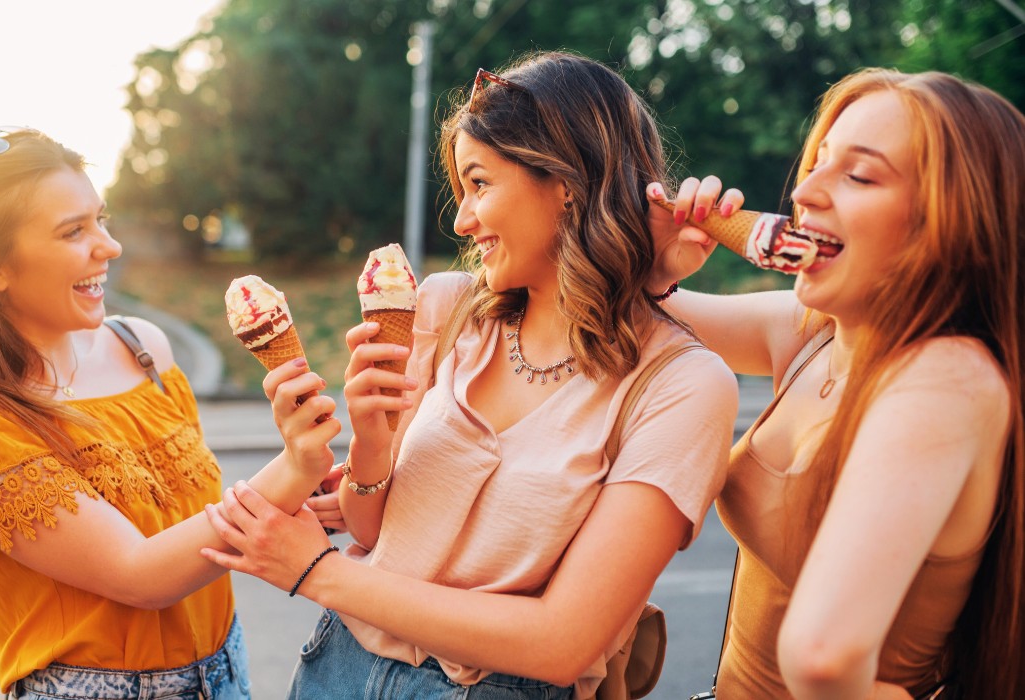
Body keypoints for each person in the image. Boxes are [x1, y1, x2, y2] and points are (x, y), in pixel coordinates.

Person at [199, 51, 739, 699]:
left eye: (479, 185)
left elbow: (563, 642)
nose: (461, 221)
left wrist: (315, 570)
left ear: (567, 180)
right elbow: (372, 531)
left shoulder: (682, 386)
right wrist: (370, 441)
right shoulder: (447, 307)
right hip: (338, 667)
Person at [0, 128, 342, 699]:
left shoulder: (143, 349)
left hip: (225, 672)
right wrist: (291, 469)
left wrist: (303, 495)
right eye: (74, 231)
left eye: (102, 219)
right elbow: (139, 574)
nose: (109, 246)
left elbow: (189, 522)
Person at [645, 68, 1025, 698]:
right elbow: (626, 316)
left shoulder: (947, 377)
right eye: (817, 162)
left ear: (956, 222)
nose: (805, 190)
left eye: (860, 175)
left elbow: (822, 656)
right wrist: (659, 264)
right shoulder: (815, 331)